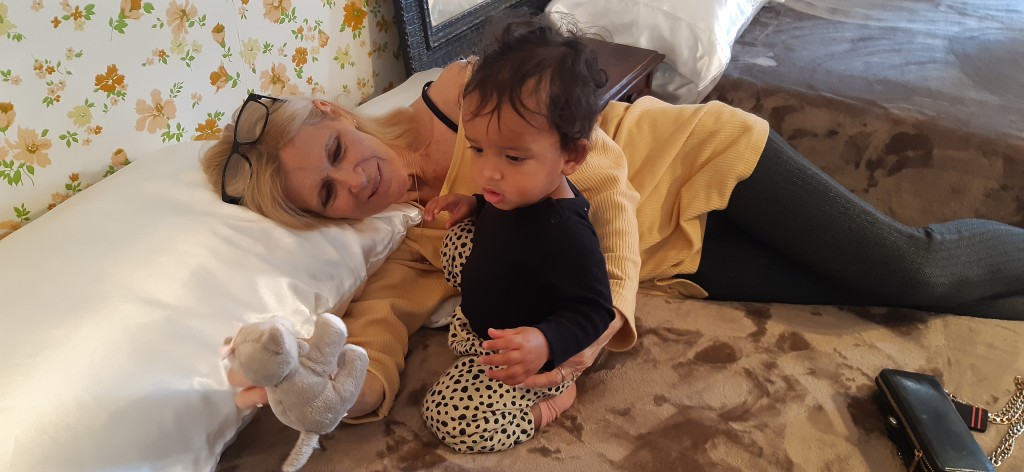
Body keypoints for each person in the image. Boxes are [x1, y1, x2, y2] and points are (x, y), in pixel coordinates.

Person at [201, 13, 1024, 425]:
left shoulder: (460, 99)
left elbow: (610, 189)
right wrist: (331, 392)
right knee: (890, 299)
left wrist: (594, 332)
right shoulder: (411, 240)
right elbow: (377, 329)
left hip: (702, 162)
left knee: (917, 268)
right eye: (328, 194)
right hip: (686, 259)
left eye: (335, 152)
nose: (356, 179)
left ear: (333, 111)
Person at [417, 32, 615, 451]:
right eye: (477, 149)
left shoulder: (567, 233)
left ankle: (550, 403)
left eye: (513, 157)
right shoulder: (515, 189)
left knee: (448, 417)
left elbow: (595, 310)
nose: (488, 172)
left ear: (571, 157)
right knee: (456, 238)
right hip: (483, 320)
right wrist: (473, 204)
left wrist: (544, 343)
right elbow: (499, 216)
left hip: (524, 353)